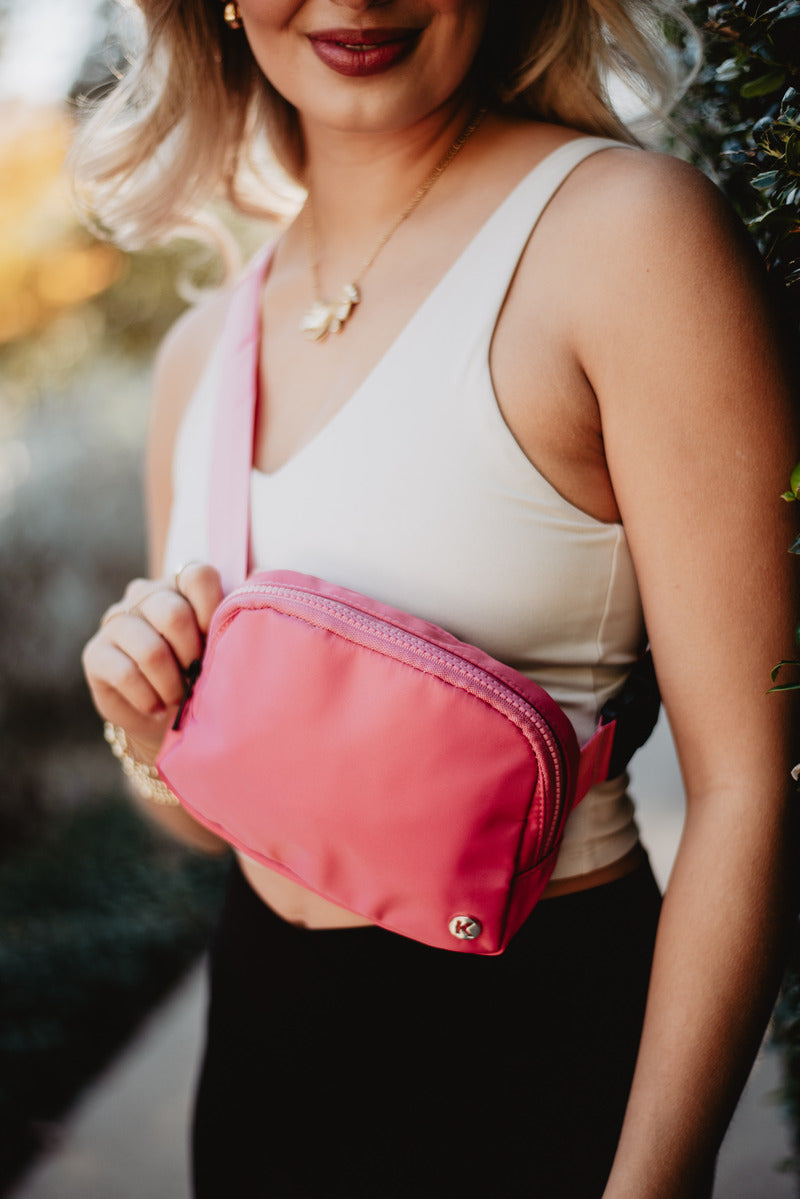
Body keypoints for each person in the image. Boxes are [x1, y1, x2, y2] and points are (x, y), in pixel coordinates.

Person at [77, 2, 798, 1196]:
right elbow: (208, 821)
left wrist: (652, 1180)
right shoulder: (200, 353)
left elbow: (745, 787)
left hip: (537, 1044)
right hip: (259, 1056)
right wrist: (148, 725)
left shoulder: (622, 237)